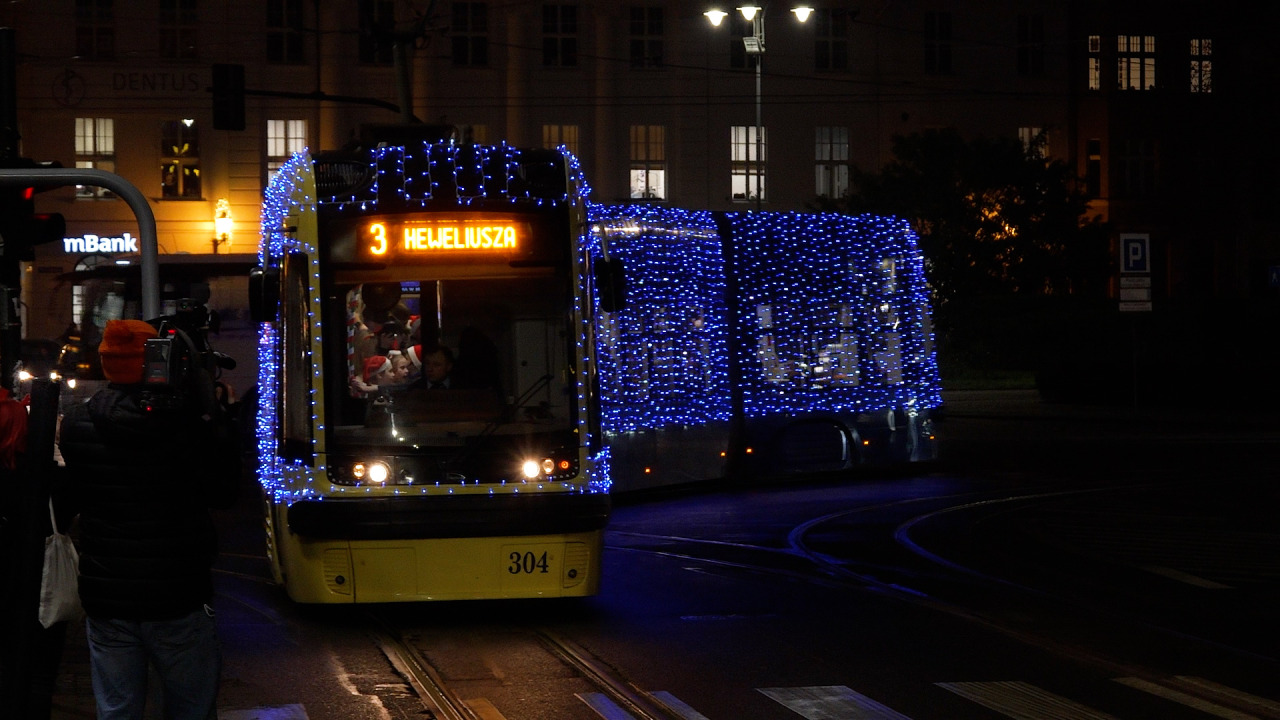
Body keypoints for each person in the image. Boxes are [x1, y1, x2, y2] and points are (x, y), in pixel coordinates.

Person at [58, 319, 241, 720]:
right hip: (177, 594)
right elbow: (225, 492)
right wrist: (214, 416)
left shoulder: (75, 423)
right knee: (190, 709)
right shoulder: (185, 425)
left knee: (118, 711)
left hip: (107, 596)